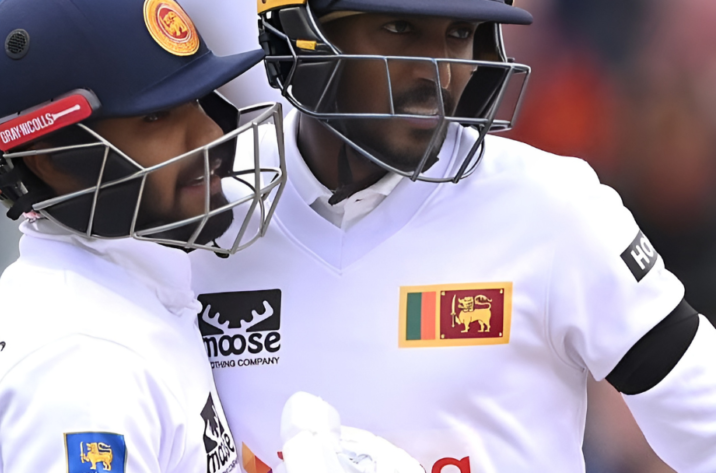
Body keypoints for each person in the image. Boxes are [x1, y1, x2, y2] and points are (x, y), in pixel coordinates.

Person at [186, 1, 716, 472]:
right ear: (301, 33)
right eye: (399, 28)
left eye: (460, 33)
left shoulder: (553, 207)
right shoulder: (199, 212)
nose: (439, 73)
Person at [0, 0, 288, 471]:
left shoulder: (116, 303)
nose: (209, 131)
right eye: (157, 117)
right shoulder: (88, 369)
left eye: (197, 100)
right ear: (52, 160)